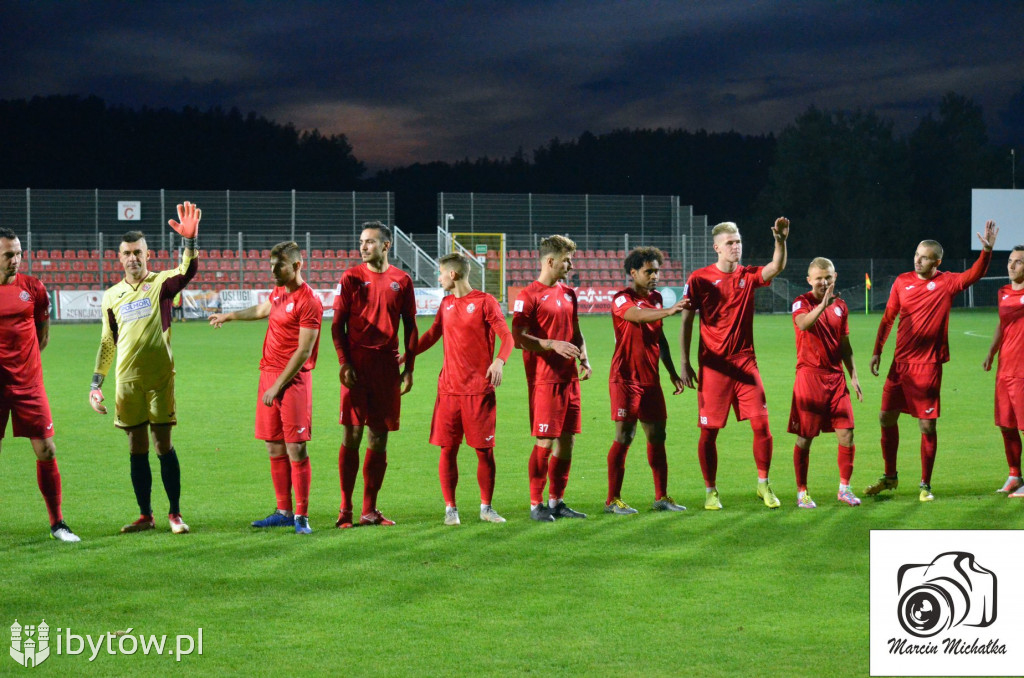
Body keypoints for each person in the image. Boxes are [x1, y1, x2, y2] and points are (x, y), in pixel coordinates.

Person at [88, 202, 201, 534]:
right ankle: (145, 515)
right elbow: (108, 342)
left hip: (159, 380)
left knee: (162, 444)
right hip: (127, 383)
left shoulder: (162, 284)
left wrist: (190, 241)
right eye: (127, 253)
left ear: (148, 255)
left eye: (138, 252)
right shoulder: (111, 296)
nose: (133, 258)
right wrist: (96, 384)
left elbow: (188, 271)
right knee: (136, 447)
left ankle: (175, 514)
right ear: (119, 258)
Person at [868, 221, 998, 501]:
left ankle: (925, 484)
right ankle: (890, 477)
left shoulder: (947, 282)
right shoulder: (901, 282)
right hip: (899, 365)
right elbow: (888, 317)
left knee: (927, 426)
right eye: (916, 254)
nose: (918, 259)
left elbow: (975, 274)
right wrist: (878, 350)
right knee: (885, 417)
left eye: (924, 256)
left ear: (937, 261)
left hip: (927, 366)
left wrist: (986, 251)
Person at [208, 242, 322, 534]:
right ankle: (283, 511)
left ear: (297, 266)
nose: (273, 270)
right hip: (269, 375)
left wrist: (278, 386)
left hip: (292, 380)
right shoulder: (279, 291)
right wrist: (229, 316)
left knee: (296, 447)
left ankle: (301, 516)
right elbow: (263, 309)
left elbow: (304, 351)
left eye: (278, 265)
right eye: (271, 264)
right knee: (274, 445)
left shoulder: (310, 301)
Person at [679, 217, 790, 510]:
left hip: (745, 363)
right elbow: (687, 320)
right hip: (713, 366)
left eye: (738, 242)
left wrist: (780, 240)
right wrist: (684, 361)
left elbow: (776, 267)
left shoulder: (748, 275)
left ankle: (763, 484)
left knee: (762, 426)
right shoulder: (699, 279)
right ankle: (711, 490)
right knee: (708, 432)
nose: (735, 247)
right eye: (730, 243)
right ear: (716, 247)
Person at [412, 253, 513, 525]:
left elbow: (507, 337)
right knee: (448, 449)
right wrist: (408, 355)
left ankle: (486, 507)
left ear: (453, 275)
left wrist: (499, 362)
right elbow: (433, 335)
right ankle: (450, 509)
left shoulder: (485, 302)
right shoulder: (445, 304)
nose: (439, 277)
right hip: (448, 391)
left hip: (478, 391)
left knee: (484, 452)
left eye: (441, 273)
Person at [332, 221, 418, 528]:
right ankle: (346, 509)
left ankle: (370, 509)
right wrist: (344, 363)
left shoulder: (402, 281)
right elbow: (337, 325)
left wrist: (408, 368)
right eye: (361, 242)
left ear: (386, 245)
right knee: (352, 434)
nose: (363, 246)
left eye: (369, 241)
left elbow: (411, 326)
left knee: (379, 437)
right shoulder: (351, 277)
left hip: (386, 368)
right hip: (357, 367)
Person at [0, 227, 80, 542]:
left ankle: (58, 523)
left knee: (46, 449)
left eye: (18, 253)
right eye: (9, 255)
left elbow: (42, 335)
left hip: (28, 385)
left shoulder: (34, 288)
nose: (16, 260)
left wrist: (24, 367)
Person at [512, 234, 592, 522]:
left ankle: (556, 501)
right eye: (567, 260)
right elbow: (518, 337)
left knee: (567, 441)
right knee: (545, 441)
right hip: (545, 380)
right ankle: (536, 504)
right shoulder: (528, 296)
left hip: (569, 378)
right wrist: (551, 343)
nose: (570, 265)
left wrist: (584, 356)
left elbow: (575, 330)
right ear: (550, 261)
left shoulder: (569, 293)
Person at [605, 247, 689, 515]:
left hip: (651, 379)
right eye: (648, 271)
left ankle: (661, 497)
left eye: (657, 271)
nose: (655, 276)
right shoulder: (621, 298)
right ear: (633, 273)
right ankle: (612, 500)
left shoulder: (655, 298)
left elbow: (659, 338)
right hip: (626, 378)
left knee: (658, 435)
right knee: (625, 436)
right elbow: (636, 316)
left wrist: (672, 372)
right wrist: (669, 311)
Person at [789, 257, 864, 509]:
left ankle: (844, 489)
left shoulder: (841, 306)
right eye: (819, 277)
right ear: (809, 279)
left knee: (847, 434)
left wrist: (853, 375)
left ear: (835, 277)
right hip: (809, 377)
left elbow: (845, 344)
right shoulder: (801, 302)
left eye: (828, 277)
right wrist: (822, 304)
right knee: (805, 437)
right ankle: (802, 492)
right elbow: (802, 324)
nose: (823, 281)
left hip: (836, 378)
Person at [982, 246, 1024, 496]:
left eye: (1018, 262)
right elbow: (1002, 324)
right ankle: (1014, 475)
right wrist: (991, 352)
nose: (1011, 265)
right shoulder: (1004, 292)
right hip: (1005, 368)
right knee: (1006, 425)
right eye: (1010, 261)